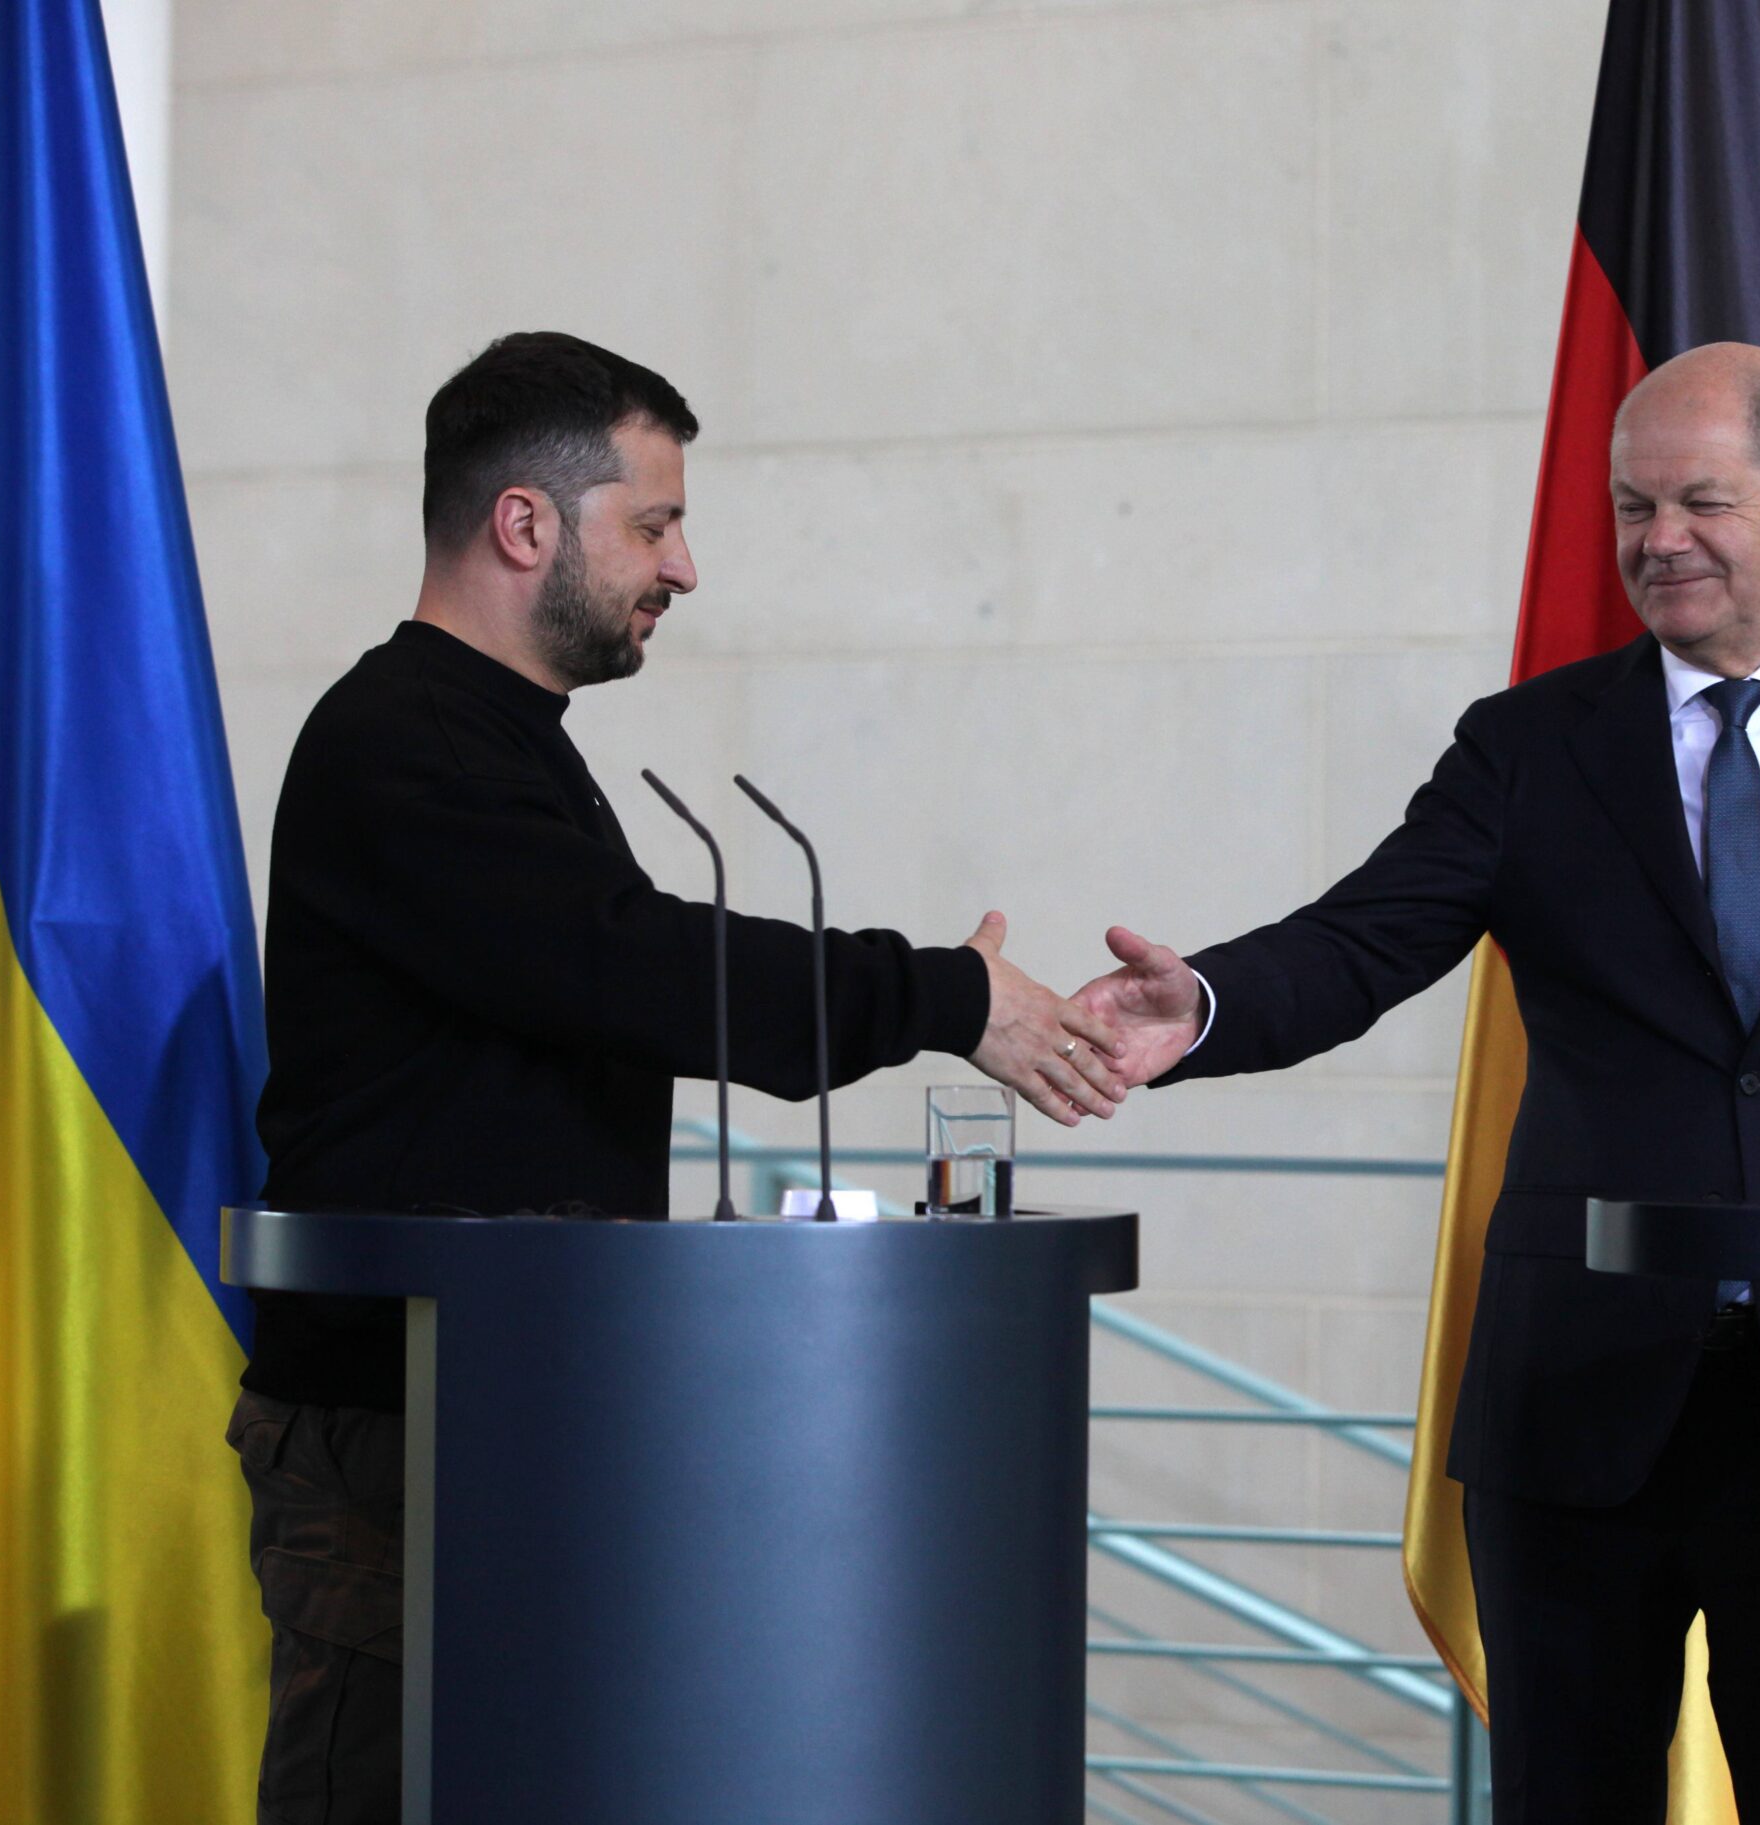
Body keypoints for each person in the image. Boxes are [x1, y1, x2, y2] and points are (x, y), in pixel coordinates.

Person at [1071, 342, 1760, 1823]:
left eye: (1700, 502)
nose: (1657, 539)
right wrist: (1206, 1003)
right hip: (1576, 1405)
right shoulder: (1529, 747)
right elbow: (1361, 942)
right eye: (1631, 506)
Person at [227, 331, 1125, 1824]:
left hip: (517, 1405)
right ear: (527, 523)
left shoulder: (504, 740)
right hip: (403, 1434)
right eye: (654, 524)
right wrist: (943, 995)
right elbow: (628, 964)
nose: (685, 568)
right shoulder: (399, 739)